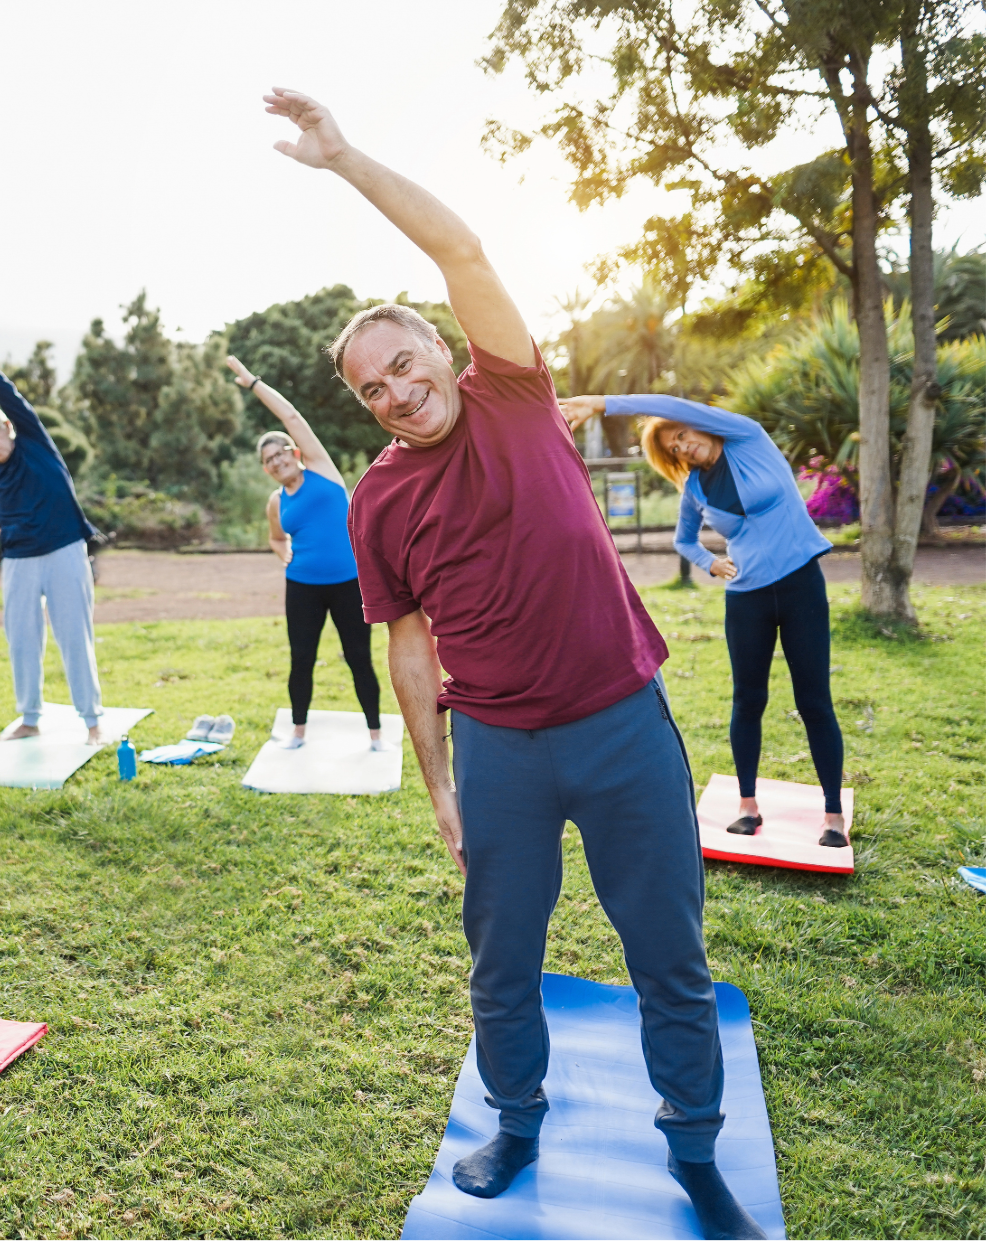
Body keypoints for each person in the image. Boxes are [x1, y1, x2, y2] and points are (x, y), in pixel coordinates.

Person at [262, 91, 764, 1240]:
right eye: (370, 387)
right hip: (496, 749)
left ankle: (693, 1146)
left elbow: (457, 246)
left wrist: (341, 158)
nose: (395, 389)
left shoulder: (516, 393)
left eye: (403, 361)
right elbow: (406, 642)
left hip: (619, 725)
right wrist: (438, 780)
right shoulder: (379, 498)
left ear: (441, 345)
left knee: (667, 958)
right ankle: (516, 1117)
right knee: (501, 963)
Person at [564, 395, 846, 847]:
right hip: (746, 598)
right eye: (673, 449)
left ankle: (832, 815)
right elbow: (684, 540)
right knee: (747, 700)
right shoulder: (695, 488)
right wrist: (710, 563)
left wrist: (600, 404)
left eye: (681, 436)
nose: (682, 448)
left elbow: (667, 402)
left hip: (801, 586)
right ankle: (748, 806)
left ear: (698, 425)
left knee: (814, 700)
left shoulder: (746, 438)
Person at [0, 317, 105, 744]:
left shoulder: (34, 441)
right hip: (18, 560)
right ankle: (30, 719)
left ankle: (92, 723)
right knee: (22, 640)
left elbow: (5, 390)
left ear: (7, 427)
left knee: (74, 636)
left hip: (64, 551)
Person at [223, 355, 387, 751]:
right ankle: (297, 733)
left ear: (294, 453)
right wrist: (285, 556)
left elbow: (293, 417)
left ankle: (376, 736)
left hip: (349, 584)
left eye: (280, 453)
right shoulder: (276, 501)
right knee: (302, 659)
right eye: (268, 460)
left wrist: (253, 383)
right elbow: (277, 539)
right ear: (266, 469)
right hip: (303, 588)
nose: (276, 461)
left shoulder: (322, 470)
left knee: (358, 659)